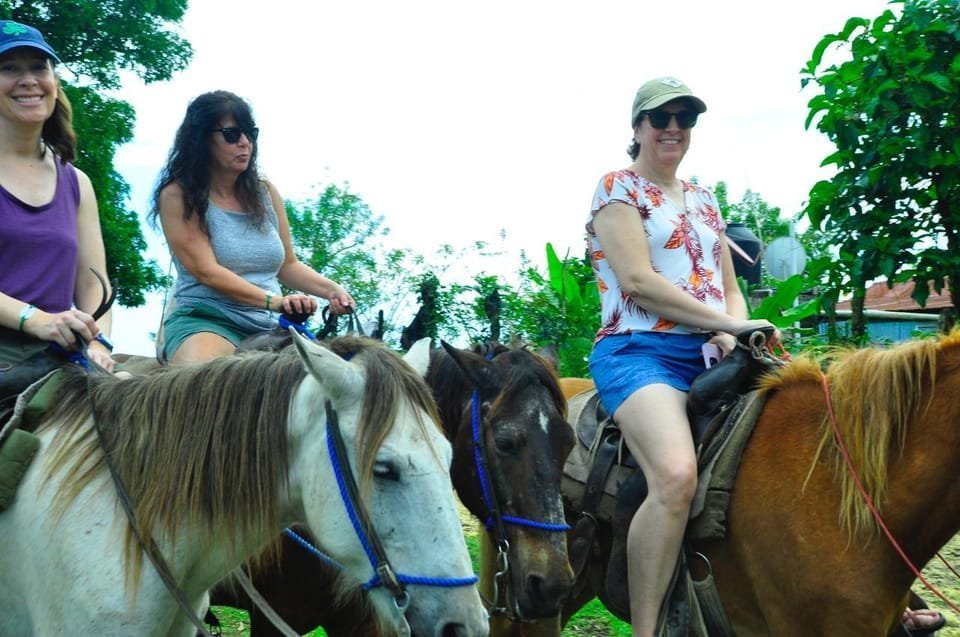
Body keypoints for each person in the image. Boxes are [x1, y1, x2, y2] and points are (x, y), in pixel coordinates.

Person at [586, 77, 945, 637]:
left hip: (711, 349)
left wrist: (734, 328)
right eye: (662, 118)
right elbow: (637, 280)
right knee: (677, 475)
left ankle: (887, 601)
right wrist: (728, 323)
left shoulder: (704, 200)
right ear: (638, 128)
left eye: (686, 118)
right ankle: (649, 627)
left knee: (822, 441)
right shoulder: (617, 189)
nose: (674, 128)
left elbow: (730, 286)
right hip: (640, 351)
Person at [150, 90, 355, 364]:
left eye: (250, 133)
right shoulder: (177, 195)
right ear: (201, 140)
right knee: (203, 385)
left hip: (273, 327)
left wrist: (333, 291)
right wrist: (276, 301)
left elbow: (288, 266)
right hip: (207, 321)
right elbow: (207, 272)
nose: (245, 143)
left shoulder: (265, 192)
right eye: (232, 134)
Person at [0, 19, 115, 374]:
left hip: (58, 350)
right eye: (9, 69)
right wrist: (36, 320)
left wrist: (98, 342)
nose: (29, 80)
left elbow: (93, 281)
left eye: (39, 67)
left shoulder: (77, 182)